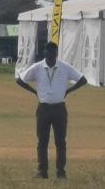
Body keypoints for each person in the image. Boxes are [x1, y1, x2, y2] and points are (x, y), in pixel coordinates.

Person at [16, 41, 88, 179]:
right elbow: (20, 80)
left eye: (53, 55)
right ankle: (42, 171)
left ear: (56, 54)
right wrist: (34, 92)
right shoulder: (37, 67)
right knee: (42, 141)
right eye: (49, 55)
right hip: (43, 107)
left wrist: (68, 90)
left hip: (59, 108)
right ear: (45, 54)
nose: (51, 58)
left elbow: (83, 80)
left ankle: (61, 171)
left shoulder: (64, 67)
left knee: (60, 141)